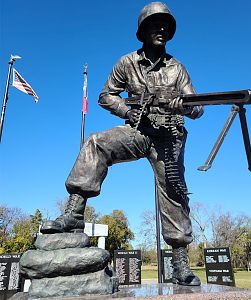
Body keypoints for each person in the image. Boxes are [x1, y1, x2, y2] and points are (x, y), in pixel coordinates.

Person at [41, 2, 203, 286]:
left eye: (165, 25)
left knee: (174, 192)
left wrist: (186, 106)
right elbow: (106, 95)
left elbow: (198, 107)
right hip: (139, 129)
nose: (161, 29)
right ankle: (74, 213)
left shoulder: (178, 68)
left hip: (169, 135)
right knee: (96, 142)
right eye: (155, 24)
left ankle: (179, 263)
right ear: (142, 31)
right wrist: (128, 112)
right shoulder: (127, 63)